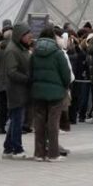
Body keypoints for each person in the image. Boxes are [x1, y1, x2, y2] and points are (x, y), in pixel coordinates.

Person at [31, 27, 72, 162]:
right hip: (56, 93)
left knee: (39, 122)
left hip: (37, 92)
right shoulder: (58, 53)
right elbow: (66, 75)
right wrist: (64, 87)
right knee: (53, 123)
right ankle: (53, 153)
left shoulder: (34, 52)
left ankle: (39, 153)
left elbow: (30, 72)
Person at [0, 23, 32, 159]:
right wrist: (27, 78)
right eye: (27, 35)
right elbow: (11, 72)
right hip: (16, 89)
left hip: (21, 89)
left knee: (15, 119)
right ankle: (17, 148)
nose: (30, 37)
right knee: (17, 119)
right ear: (20, 36)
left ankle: (8, 147)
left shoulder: (20, 48)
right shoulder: (12, 50)